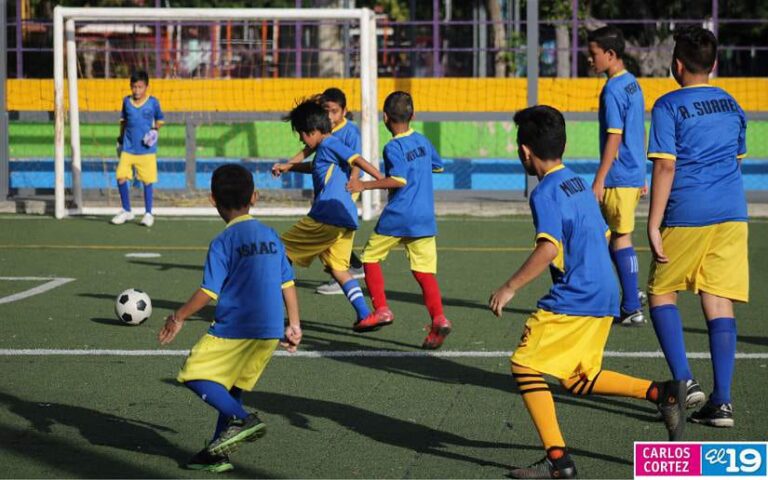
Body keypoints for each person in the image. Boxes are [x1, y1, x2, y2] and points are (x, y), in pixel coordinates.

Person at [488, 105, 685, 479]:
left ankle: (559, 461)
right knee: (579, 377)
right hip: (603, 294)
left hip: (576, 295)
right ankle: (663, 394)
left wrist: (509, 287)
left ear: (525, 151)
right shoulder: (577, 182)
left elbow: (547, 247)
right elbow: (605, 235)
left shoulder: (545, 192)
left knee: (524, 364)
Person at [158, 163, 302, 473]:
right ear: (256, 196)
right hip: (270, 331)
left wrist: (178, 316)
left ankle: (243, 419)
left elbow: (208, 292)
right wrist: (294, 325)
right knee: (231, 387)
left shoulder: (222, 242)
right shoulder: (271, 235)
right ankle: (216, 452)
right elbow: (287, 283)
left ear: (212, 200)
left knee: (193, 373)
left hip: (235, 327)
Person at [646, 26, 748, 428]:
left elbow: (666, 165)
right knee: (718, 299)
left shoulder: (668, 105)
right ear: (715, 64)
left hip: (688, 211)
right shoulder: (731, 103)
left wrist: (654, 224)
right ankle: (721, 402)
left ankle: (684, 382)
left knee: (660, 294)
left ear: (677, 64)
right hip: (732, 213)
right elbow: (736, 159)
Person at [347, 91, 451, 349]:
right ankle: (439, 318)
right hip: (424, 218)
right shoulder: (423, 141)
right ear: (413, 115)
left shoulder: (393, 147)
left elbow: (398, 180)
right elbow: (438, 166)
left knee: (370, 257)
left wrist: (364, 185)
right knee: (423, 272)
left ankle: (381, 309)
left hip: (399, 215)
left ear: (384, 118)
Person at [271, 98, 385, 330]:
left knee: (276, 252)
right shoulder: (325, 150)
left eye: (301, 135)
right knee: (338, 269)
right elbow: (315, 167)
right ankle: (365, 315)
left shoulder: (330, 144)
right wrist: (288, 166)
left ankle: (262, 311)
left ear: (312, 132)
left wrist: (380, 180)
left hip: (326, 215)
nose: (301, 140)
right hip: (345, 219)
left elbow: (357, 159)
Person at [587, 26, 647, 326]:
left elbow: (615, 136)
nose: (589, 59)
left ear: (611, 55)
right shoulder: (633, 84)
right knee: (617, 234)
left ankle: (632, 304)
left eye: (593, 53)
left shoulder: (612, 90)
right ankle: (632, 291)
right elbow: (638, 130)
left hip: (619, 176)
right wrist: (643, 174)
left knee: (617, 238)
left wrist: (599, 178)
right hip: (632, 173)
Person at [285, 88, 366, 295]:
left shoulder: (349, 132)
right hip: (330, 188)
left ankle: (343, 272)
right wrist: (288, 165)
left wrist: (355, 179)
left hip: (345, 187)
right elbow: (308, 152)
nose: (330, 116)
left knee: (328, 225)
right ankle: (346, 271)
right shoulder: (322, 133)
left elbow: (356, 157)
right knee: (333, 233)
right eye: (326, 111)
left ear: (344, 111)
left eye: (334, 111)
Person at [111, 70, 164, 227]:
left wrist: (155, 130)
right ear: (130, 87)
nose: (137, 90)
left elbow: (160, 119)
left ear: (146, 87)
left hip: (146, 150)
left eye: (140, 87)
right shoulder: (126, 102)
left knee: (147, 181)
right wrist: (120, 139)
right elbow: (123, 122)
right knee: (121, 177)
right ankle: (127, 210)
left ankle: (148, 213)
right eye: (134, 87)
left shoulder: (153, 102)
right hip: (128, 149)